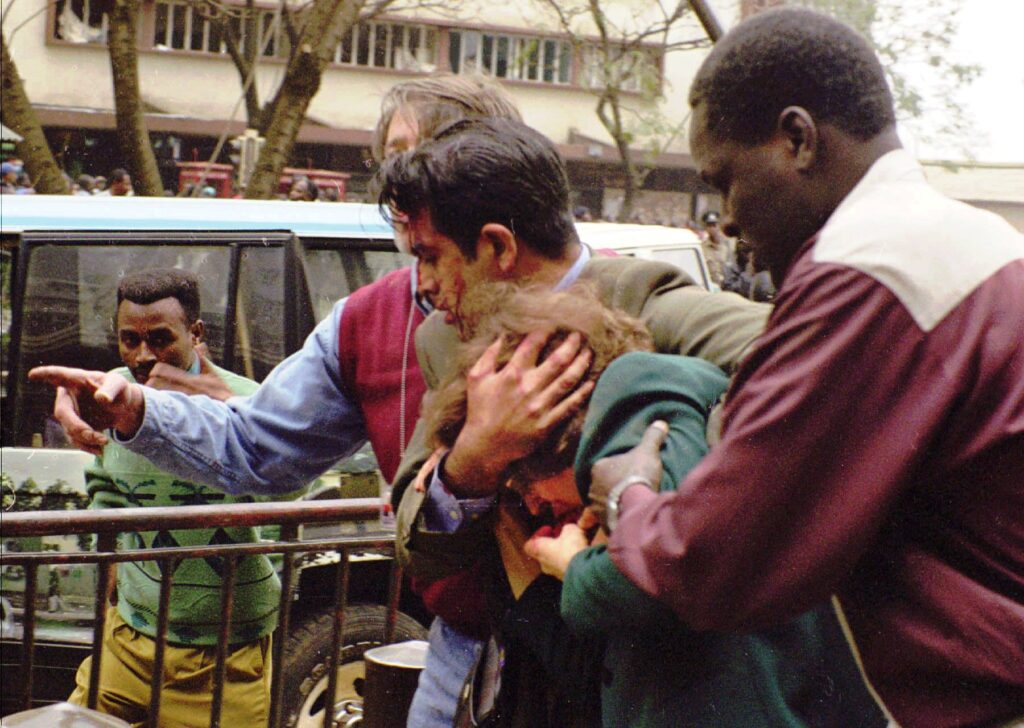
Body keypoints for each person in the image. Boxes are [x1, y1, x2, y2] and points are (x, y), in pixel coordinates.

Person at [528, 8, 1024, 728]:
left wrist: (628, 496)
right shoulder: (977, 238)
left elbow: (714, 558)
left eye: (725, 180)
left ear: (796, 138)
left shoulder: (868, 267)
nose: (725, 219)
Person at [29, 73, 525, 728]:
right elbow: (254, 445)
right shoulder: (364, 325)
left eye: (421, 156)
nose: (400, 190)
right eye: (392, 164)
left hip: (571, 657)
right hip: (457, 653)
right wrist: (132, 412)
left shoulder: (597, 303)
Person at [418, 283, 880, 727]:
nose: (530, 500)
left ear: (554, 425)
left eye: (523, 478)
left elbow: (658, 575)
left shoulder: (639, 390)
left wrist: (575, 565)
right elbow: (601, 675)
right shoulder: (632, 489)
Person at [65, 268, 290, 728]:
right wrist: (115, 574)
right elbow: (104, 484)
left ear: (196, 332)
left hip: (226, 655)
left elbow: (288, 488)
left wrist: (226, 406)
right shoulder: (113, 393)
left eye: (161, 339)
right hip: (128, 638)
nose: (143, 355)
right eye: (129, 340)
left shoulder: (247, 401)